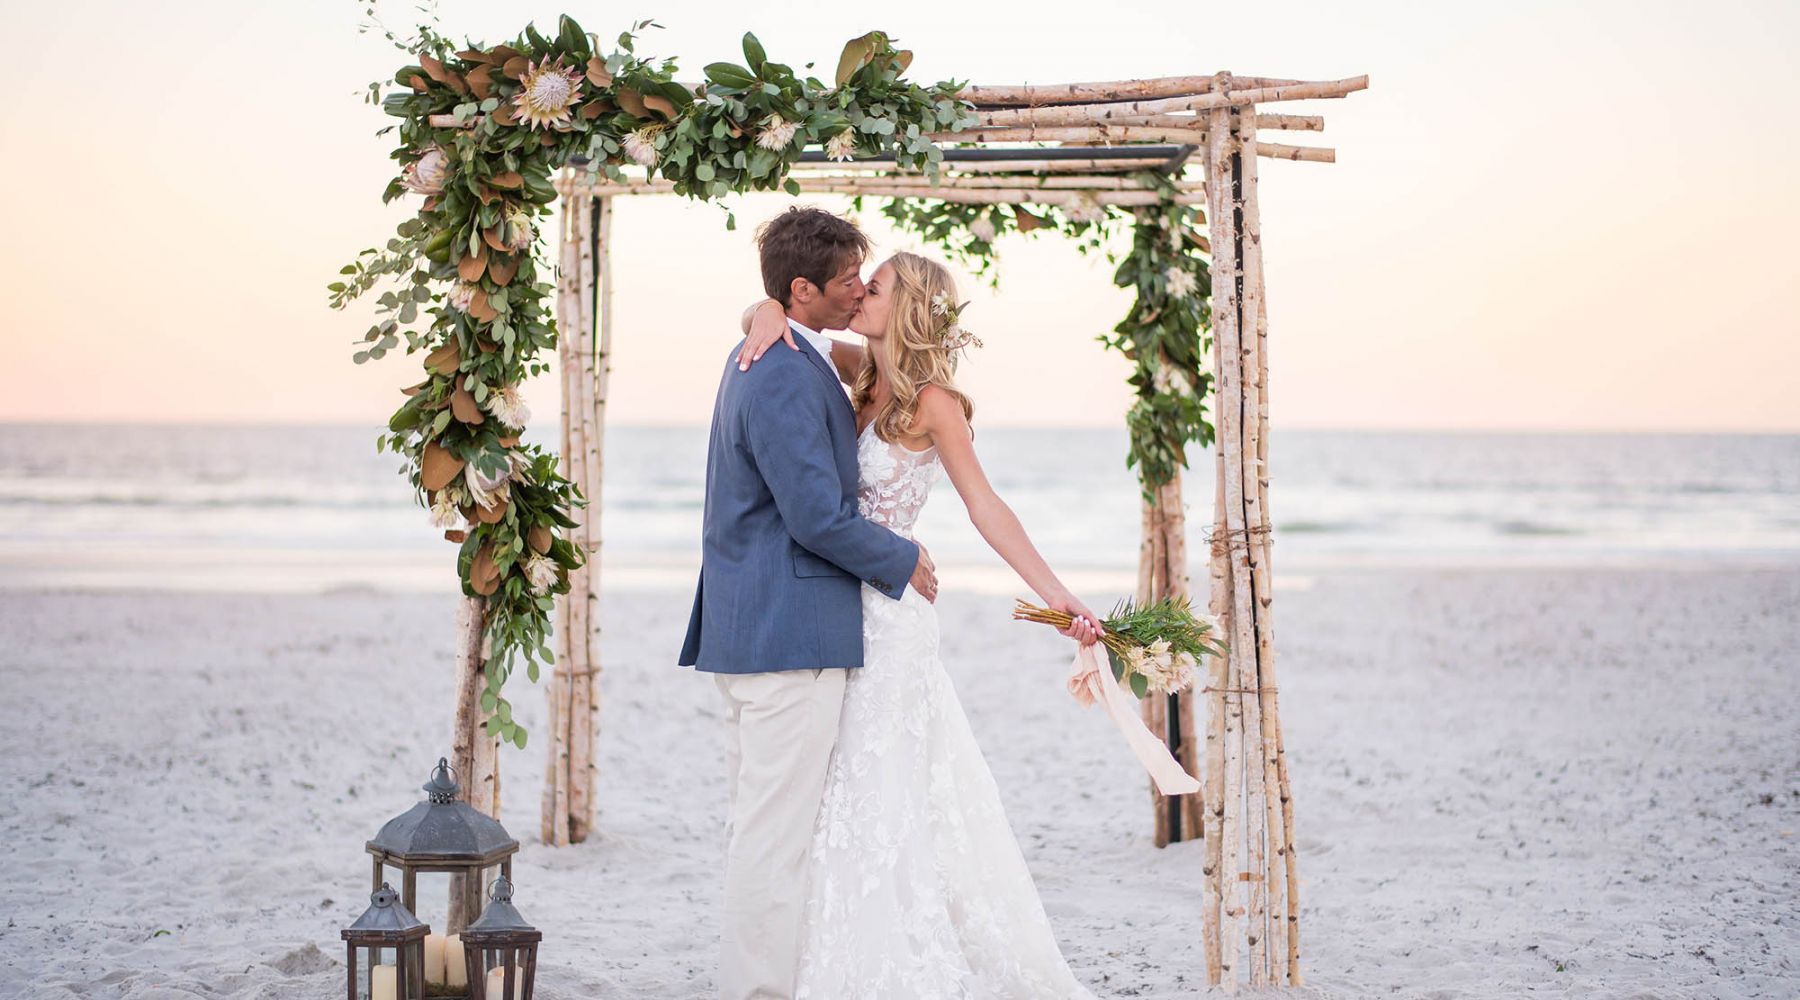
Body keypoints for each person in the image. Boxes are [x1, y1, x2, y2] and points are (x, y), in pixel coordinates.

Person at [736, 248, 1103, 998]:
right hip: (833, 607)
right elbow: (774, 323)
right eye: (858, 286)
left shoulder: (934, 403)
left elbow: (985, 506)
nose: (858, 294)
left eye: (873, 288)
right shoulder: (857, 372)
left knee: (885, 791)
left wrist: (1057, 594)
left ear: (907, 308)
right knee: (836, 792)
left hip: (893, 622)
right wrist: (767, 309)